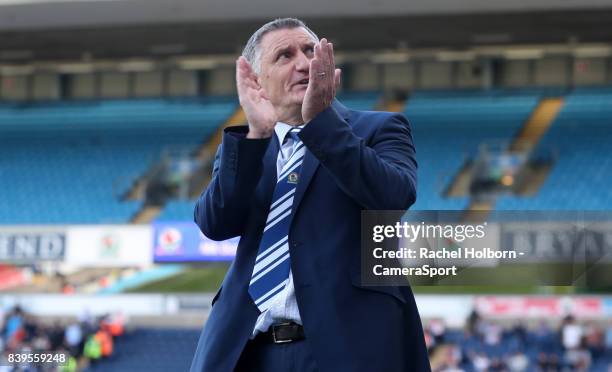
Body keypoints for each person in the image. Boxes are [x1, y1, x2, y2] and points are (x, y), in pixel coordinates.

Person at [190, 17, 429, 372]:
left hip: (348, 350)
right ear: (257, 81)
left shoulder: (379, 128)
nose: (303, 63)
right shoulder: (248, 147)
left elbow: (392, 198)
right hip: (248, 350)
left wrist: (320, 123)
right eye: (284, 56)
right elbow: (215, 223)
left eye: (309, 51)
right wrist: (256, 136)